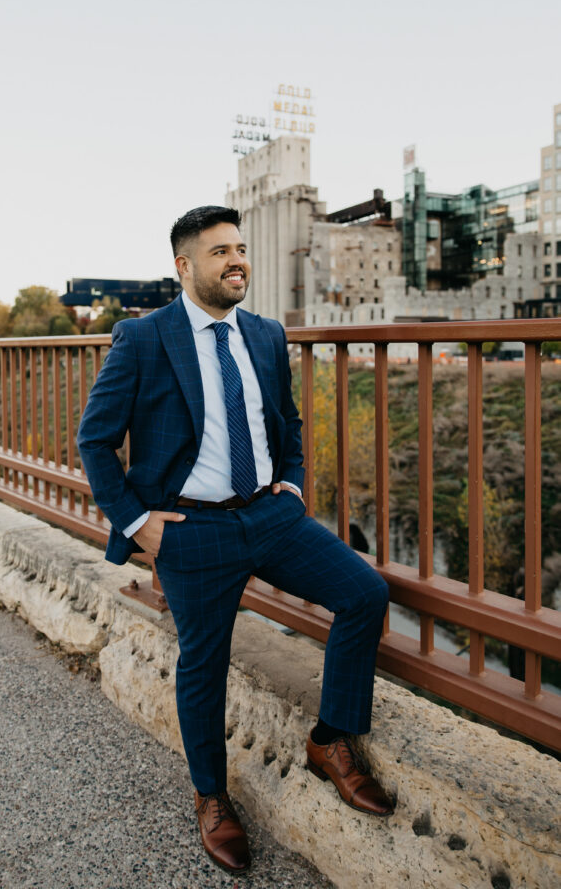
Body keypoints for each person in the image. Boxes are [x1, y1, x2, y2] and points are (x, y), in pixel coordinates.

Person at [77, 206, 393, 875]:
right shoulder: (143, 337)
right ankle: (211, 795)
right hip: (191, 528)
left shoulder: (265, 334)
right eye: (218, 251)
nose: (235, 260)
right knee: (203, 662)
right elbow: (94, 441)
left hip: (270, 515)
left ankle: (330, 739)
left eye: (239, 248)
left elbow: (286, 420)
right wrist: (140, 524)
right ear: (184, 266)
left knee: (364, 593)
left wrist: (295, 483)